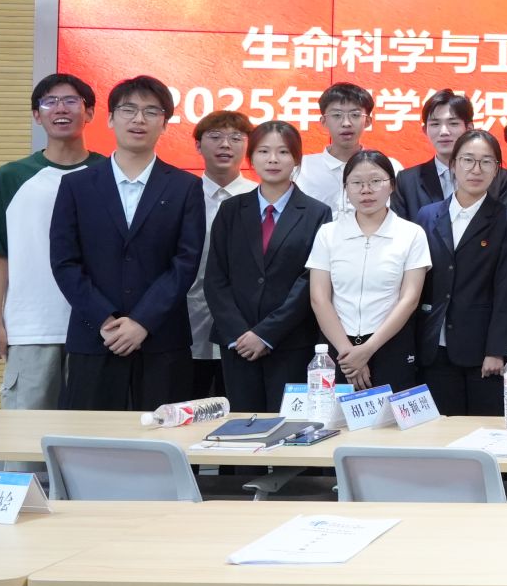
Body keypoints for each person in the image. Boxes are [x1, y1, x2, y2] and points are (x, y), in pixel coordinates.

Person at [49, 76, 206, 411]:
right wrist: (105, 319)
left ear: (165, 123)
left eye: (151, 112)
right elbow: (65, 262)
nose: (139, 119)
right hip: (95, 336)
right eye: (129, 110)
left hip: (162, 339)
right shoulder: (77, 185)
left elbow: (185, 262)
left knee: (164, 436)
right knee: (90, 436)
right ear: (110, 118)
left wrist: (142, 321)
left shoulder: (185, 187)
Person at [0, 72, 101, 412]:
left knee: (92, 431)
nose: (61, 108)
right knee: (24, 433)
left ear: (89, 112)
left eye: (71, 101)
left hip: (98, 328)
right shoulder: (9, 177)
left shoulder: (109, 174)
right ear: (36, 115)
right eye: (49, 102)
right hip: (31, 328)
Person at [203, 121, 329, 412]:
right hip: (237, 343)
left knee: (290, 428)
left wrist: (266, 334)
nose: (273, 159)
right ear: (251, 157)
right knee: (242, 427)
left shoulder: (317, 213)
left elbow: (309, 280)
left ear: (296, 159)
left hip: (291, 342)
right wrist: (239, 334)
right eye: (263, 151)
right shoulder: (231, 210)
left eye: (283, 152)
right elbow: (216, 278)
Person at [411, 128, 507, 416]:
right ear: (453, 165)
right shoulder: (427, 215)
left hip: (481, 350)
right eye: (468, 160)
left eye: (487, 162)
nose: (476, 169)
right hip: (433, 345)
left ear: (497, 170)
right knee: (438, 430)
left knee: (482, 429)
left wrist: (496, 350)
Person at [307, 152, 430, 393]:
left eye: (375, 181)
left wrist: (367, 350)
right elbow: (319, 298)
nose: (366, 190)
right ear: (345, 188)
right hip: (337, 348)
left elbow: (409, 299)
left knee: (389, 415)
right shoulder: (328, 234)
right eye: (356, 183)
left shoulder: (411, 234)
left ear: (391, 185)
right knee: (336, 416)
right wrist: (349, 354)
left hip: (391, 344)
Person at [187, 110, 257, 398]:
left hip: (245, 327)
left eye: (236, 138)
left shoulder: (262, 197)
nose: (225, 145)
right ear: (198, 145)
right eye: (215, 137)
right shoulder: (181, 194)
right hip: (187, 321)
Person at [394, 90, 507, 219]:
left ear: (469, 128)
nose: (444, 132)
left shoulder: (500, 178)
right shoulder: (407, 181)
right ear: (425, 130)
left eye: (453, 123)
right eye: (435, 124)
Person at [297, 82, 372, 217]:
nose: (346, 123)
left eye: (355, 115)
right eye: (337, 115)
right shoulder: (301, 168)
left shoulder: (387, 168)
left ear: (367, 121)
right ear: (323, 121)